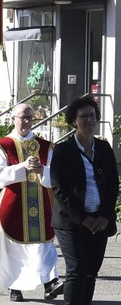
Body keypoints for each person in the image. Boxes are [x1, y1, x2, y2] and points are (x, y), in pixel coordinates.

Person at [0, 103, 63, 302]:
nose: (26, 121)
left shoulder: (44, 146)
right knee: (14, 248)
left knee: (44, 244)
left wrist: (42, 171)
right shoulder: (3, 145)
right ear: (13, 119)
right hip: (13, 203)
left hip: (41, 202)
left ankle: (51, 282)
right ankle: (15, 286)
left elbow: (55, 175)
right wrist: (23, 167)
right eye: (22, 117)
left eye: (29, 117)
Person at [50, 96, 119, 305]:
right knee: (77, 269)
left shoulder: (104, 148)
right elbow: (59, 189)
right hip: (71, 222)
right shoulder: (63, 151)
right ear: (74, 121)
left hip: (99, 221)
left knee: (91, 272)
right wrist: (83, 219)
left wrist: (105, 216)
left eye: (92, 115)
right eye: (84, 116)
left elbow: (113, 186)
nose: (89, 120)